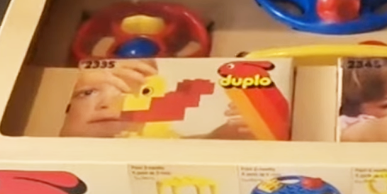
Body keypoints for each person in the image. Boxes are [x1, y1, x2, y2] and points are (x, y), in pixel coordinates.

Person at [60, 59, 252, 139]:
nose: (109, 104)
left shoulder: (153, 137)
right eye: (87, 93)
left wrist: (230, 131)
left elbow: (198, 145)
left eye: (132, 93)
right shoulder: (61, 145)